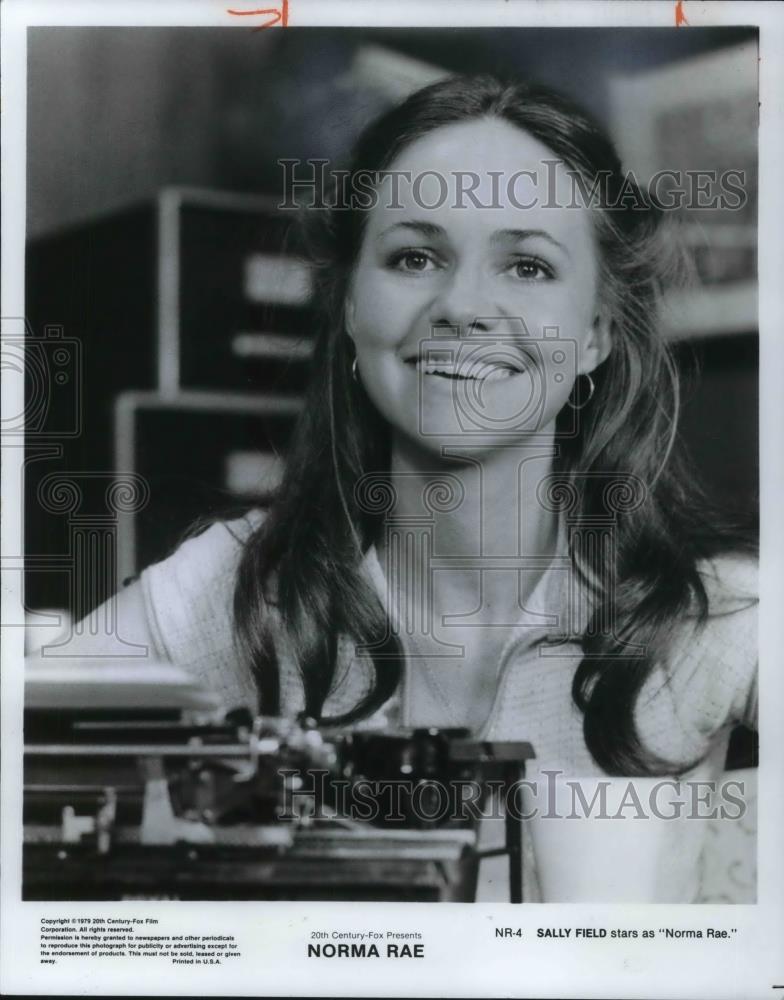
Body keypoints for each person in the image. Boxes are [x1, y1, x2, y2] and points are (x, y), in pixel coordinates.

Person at [67, 75, 758, 901]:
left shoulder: (716, 617)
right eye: (414, 257)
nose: (463, 305)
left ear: (596, 334)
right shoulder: (235, 580)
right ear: (352, 305)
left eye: (529, 266)